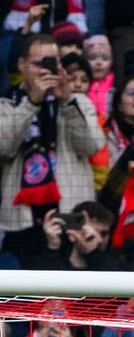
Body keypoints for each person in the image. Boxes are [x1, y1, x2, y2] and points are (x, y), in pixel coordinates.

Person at [0, 33, 105, 252]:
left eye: (53, 63)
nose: (47, 70)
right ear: (22, 65)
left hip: (71, 217)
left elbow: (92, 146)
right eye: (40, 64)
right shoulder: (7, 104)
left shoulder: (79, 102)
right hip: (22, 220)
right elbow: (4, 147)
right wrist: (31, 103)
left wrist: (67, 102)